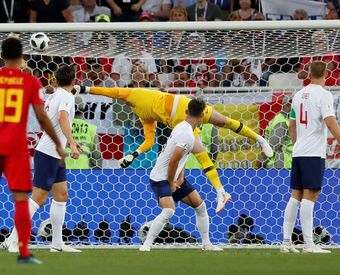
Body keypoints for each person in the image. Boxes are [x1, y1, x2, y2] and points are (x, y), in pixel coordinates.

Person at [73, 85, 274, 214]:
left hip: (184, 111)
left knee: (221, 125)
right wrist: (133, 155)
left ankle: (259, 139)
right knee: (202, 149)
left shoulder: (133, 94)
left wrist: (84, 88)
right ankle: (221, 191)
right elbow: (149, 141)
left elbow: (112, 92)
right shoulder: (143, 114)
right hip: (183, 114)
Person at [0, 37, 64, 264]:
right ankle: (23, 252)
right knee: (20, 199)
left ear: (2, 55)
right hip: (15, 146)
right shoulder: (29, 82)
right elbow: (42, 117)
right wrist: (57, 141)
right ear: (22, 55)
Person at [6, 65, 82, 253]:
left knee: (62, 194)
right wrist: (71, 143)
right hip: (48, 153)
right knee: (38, 198)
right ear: (74, 81)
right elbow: (62, 118)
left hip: (54, 153)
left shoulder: (54, 95)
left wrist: (67, 142)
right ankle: (12, 239)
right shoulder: (67, 97)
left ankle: (57, 243)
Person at [139, 99, 222, 252]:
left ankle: (206, 243)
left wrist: (181, 177)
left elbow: (183, 157)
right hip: (160, 178)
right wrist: (171, 182)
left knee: (200, 206)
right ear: (203, 114)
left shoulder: (183, 127)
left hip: (175, 176)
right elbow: (173, 161)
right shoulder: (186, 134)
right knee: (169, 211)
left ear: (186, 112)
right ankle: (147, 244)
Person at [281, 61, 340, 253]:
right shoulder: (324, 95)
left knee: (295, 195)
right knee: (310, 195)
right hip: (313, 153)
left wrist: (299, 143)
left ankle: (286, 242)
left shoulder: (298, 96)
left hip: (299, 151)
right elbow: (330, 123)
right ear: (326, 74)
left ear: (308, 73)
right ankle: (309, 244)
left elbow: (292, 126)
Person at [65, 96, 102, 169]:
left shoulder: (61, 127)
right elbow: (96, 155)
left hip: (61, 173)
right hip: (83, 174)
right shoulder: (91, 128)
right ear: (84, 110)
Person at [264, 95, 293, 169]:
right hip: (280, 164)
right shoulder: (282, 121)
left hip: (287, 163)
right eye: (289, 104)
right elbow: (274, 144)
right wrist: (262, 159)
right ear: (283, 105)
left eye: (293, 104)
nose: (291, 107)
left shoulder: (288, 120)